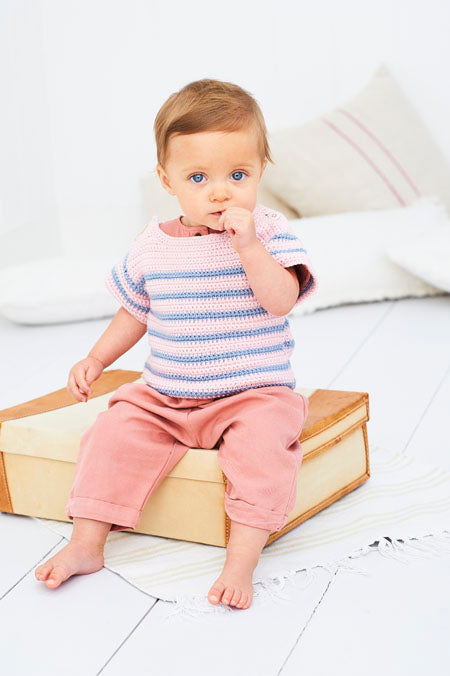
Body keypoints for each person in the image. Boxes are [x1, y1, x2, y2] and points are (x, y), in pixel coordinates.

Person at [34, 78, 318, 610]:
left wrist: (250, 248)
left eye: (238, 175)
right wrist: (96, 358)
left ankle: (241, 560)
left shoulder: (269, 232)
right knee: (111, 432)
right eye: (198, 177)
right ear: (167, 179)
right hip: (166, 395)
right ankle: (87, 542)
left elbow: (281, 300)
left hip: (252, 394)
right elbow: (134, 312)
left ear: (261, 170)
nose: (220, 193)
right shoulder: (152, 245)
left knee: (264, 451)